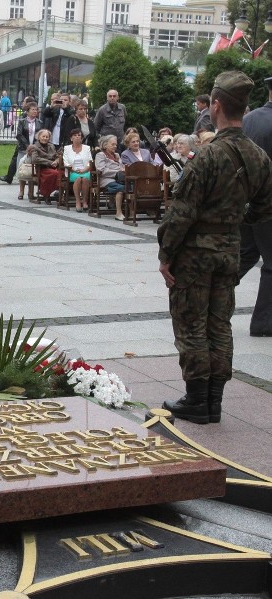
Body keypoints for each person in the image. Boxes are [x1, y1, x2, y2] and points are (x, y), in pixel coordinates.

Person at [158, 71, 272, 425]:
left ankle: (196, 400)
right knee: (219, 325)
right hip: (229, 252)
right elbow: (266, 207)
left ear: (217, 105)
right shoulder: (258, 157)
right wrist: (235, 221)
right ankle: (213, 401)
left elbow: (181, 214)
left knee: (192, 324)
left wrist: (165, 254)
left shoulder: (207, 157)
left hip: (194, 256)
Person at [238, 74, 272, 338]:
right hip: (269, 202)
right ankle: (263, 323)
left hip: (245, 198)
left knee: (246, 254)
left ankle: (209, 299)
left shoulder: (248, 119)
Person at [12, 102, 42, 198]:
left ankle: (30, 191)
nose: (34, 111)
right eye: (32, 109)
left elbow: (41, 136)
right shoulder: (22, 121)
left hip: (35, 149)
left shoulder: (39, 122)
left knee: (32, 170)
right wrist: (27, 146)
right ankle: (21, 191)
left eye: (36, 110)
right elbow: (19, 134)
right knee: (22, 169)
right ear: (27, 111)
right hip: (23, 149)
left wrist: (34, 147)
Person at [95, 134, 126, 220]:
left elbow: (121, 166)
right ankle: (118, 213)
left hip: (119, 179)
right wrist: (117, 172)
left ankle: (130, 212)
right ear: (105, 145)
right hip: (106, 180)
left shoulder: (116, 155)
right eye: (112, 144)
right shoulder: (100, 155)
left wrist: (123, 169)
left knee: (131, 187)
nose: (115, 146)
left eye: (116, 144)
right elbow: (101, 170)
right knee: (121, 188)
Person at [63, 128, 93, 212]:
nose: (77, 137)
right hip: (72, 171)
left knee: (85, 179)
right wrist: (74, 170)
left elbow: (90, 162)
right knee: (79, 179)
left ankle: (85, 201)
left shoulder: (87, 148)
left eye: (79, 135)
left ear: (82, 138)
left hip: (85, 170)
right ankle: (78, 201)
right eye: (75, 135)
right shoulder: (67, 148)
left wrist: (84, 170)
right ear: (71, 138)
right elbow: (66, 162)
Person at [28, 129, 61, 200]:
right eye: (43, 136)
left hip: (53, 167)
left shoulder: (51, 146)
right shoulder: (34, 147)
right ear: (39, 137)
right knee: (55, 174)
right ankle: (46, 193)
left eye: (47, 137)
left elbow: (57, 156)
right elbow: (35, 159)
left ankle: (45, 191)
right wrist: (50, 162)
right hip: (42, 169)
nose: (45, 138)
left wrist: (56, 161)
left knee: (63, 173)